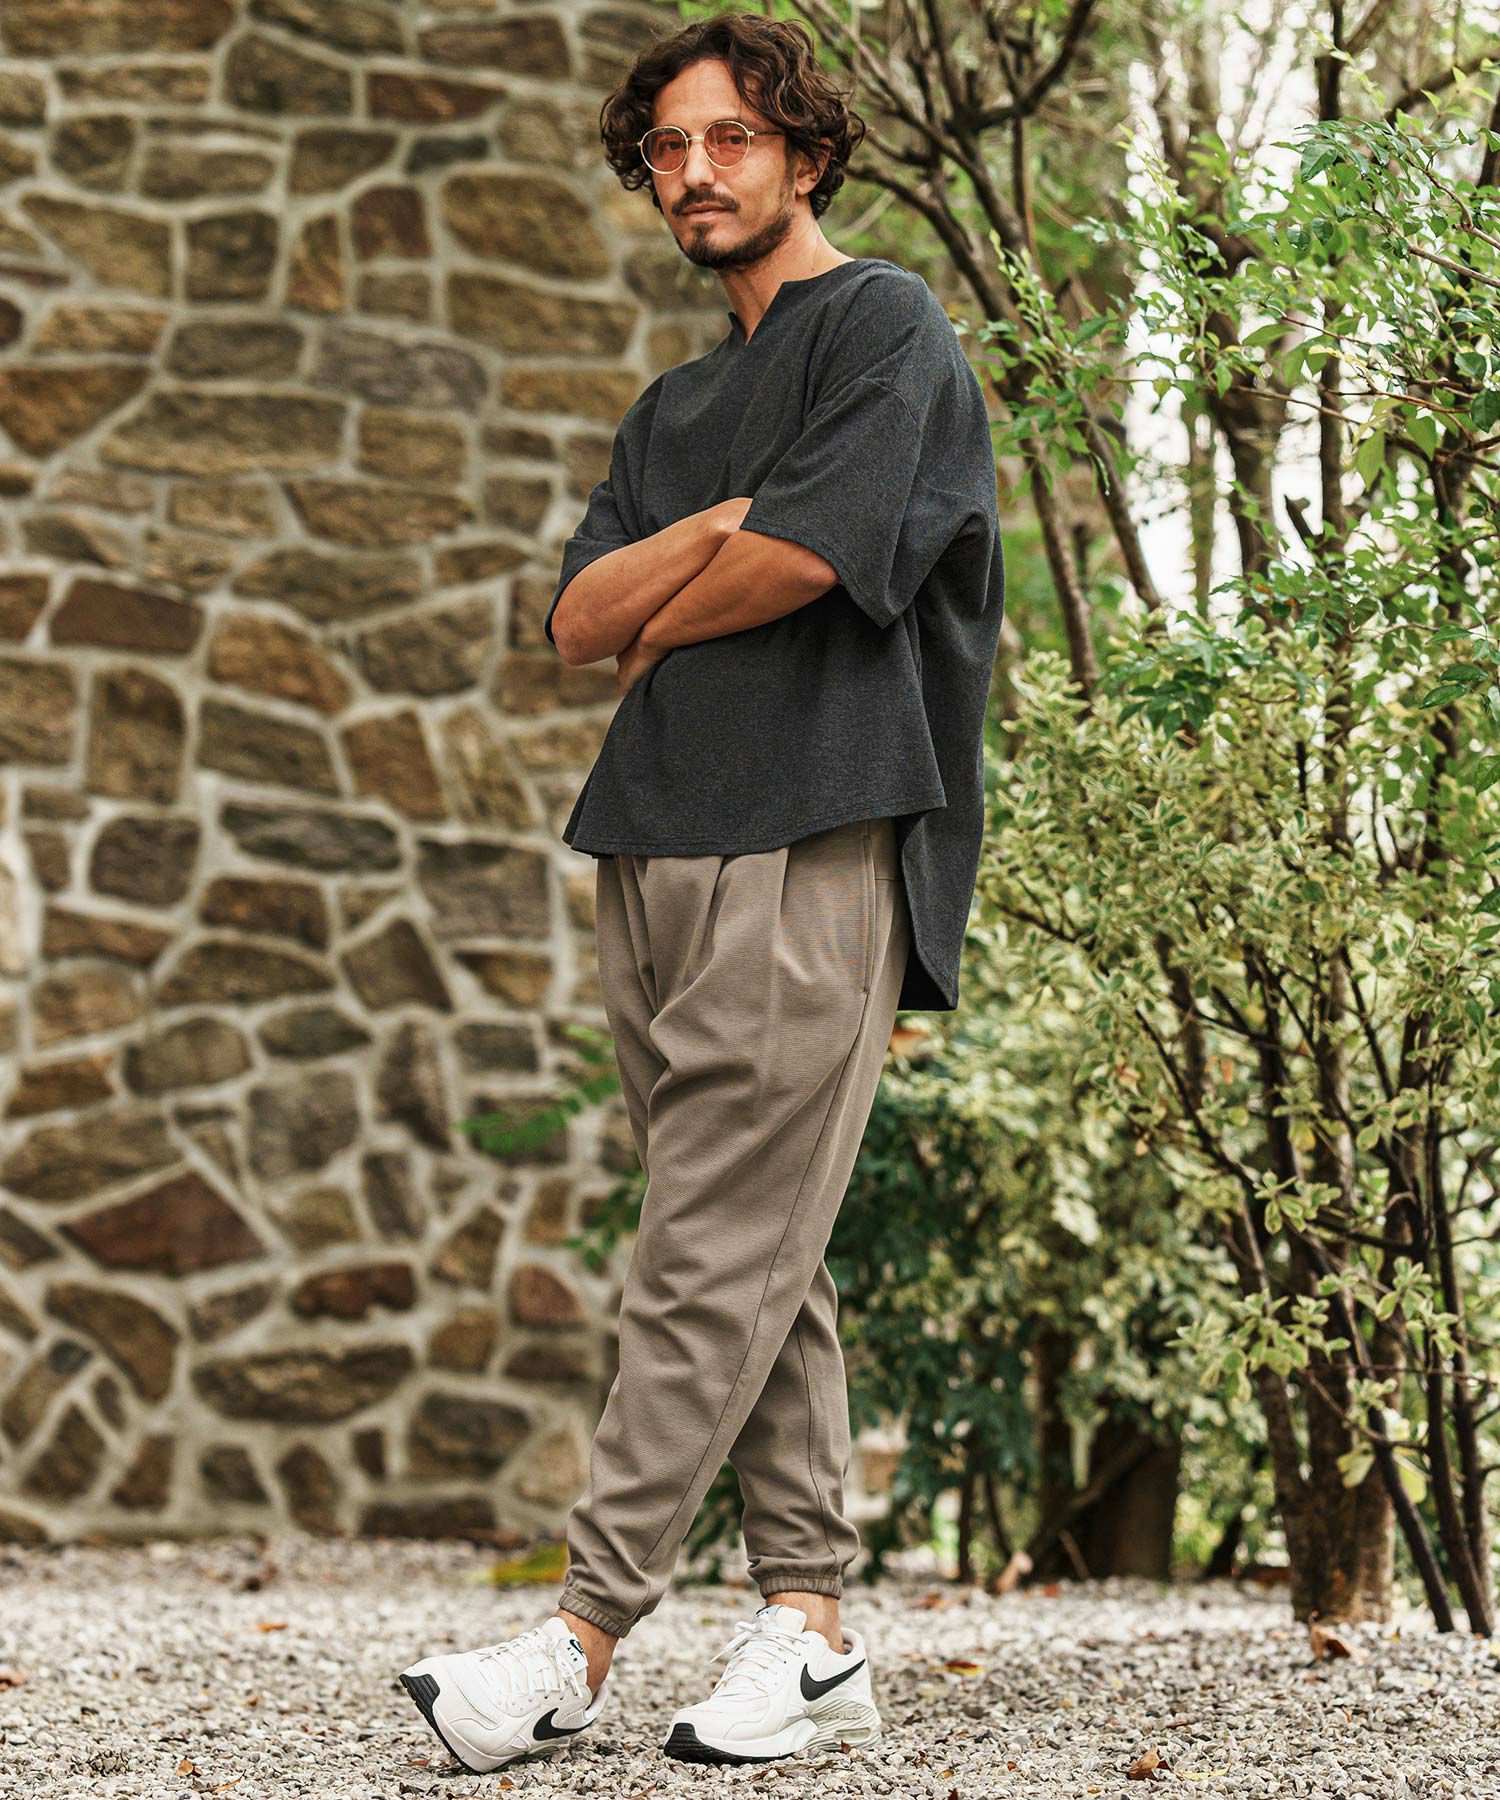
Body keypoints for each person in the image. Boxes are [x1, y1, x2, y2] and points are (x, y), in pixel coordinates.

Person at [399, 10, 1006, 1774]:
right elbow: (576, 622)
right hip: (651, 841)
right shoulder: (671, 412)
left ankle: (579, 1637)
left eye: (731, 137)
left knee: (706, 1249)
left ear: (803, 154)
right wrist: (710, 537)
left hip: (815, 828)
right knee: (753, 1244)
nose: (694, 171)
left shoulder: (882, 328)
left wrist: (709, 565)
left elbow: (810, 557)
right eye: (667, 146)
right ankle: (809, 1630)